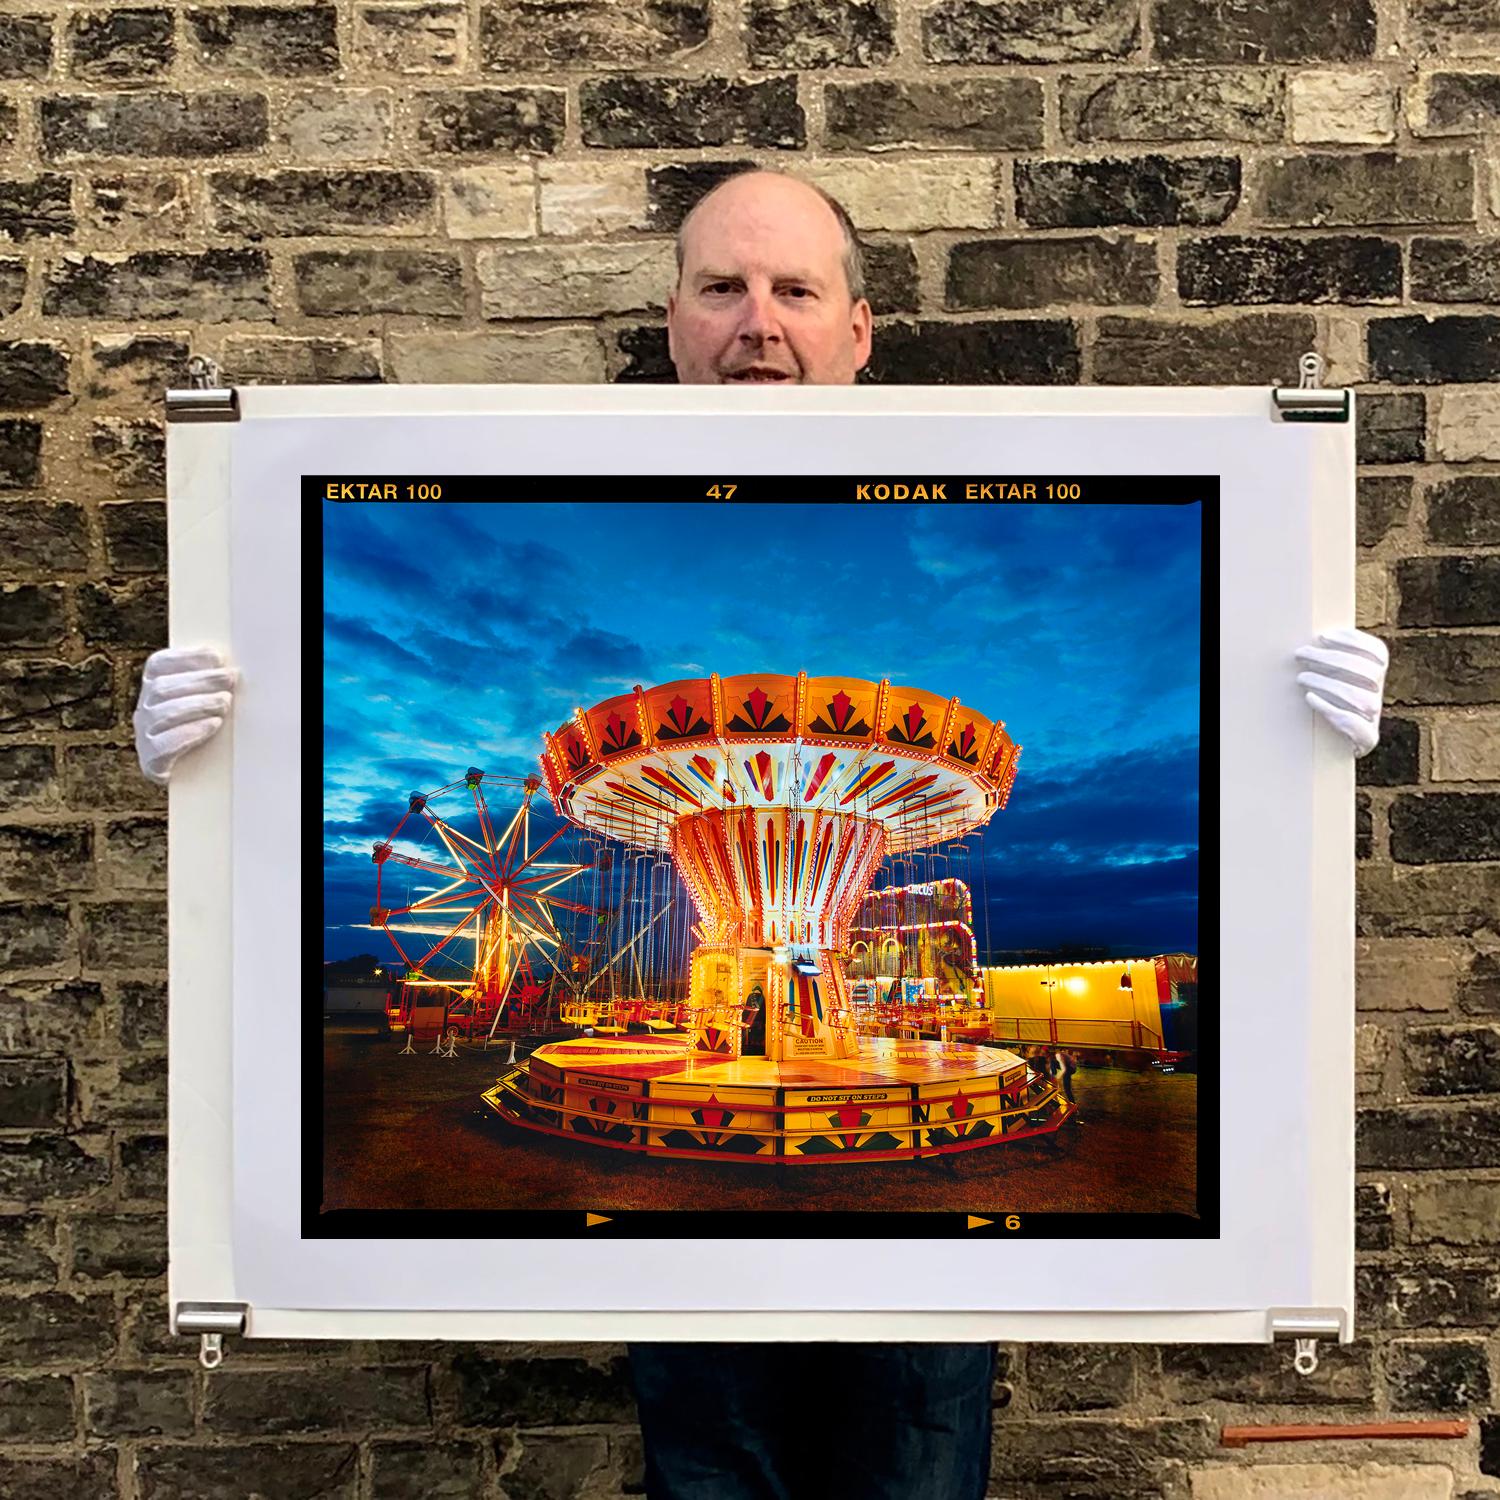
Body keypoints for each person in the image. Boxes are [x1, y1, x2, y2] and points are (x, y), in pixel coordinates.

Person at [136, 168, 1391, 1500]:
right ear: (672, 320)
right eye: (723, 288)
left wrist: (1294, 739)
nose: (759, 323)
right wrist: (222, 765)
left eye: (795, 290)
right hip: (691, 1241)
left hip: (926, 1262)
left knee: (911, 1457)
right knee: (710, 1456)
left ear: (859, 329)